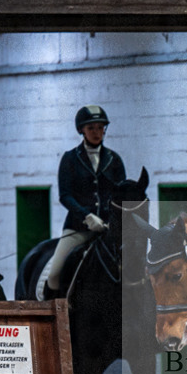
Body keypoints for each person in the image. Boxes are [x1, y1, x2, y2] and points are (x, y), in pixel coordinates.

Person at [43, 105, 127, 299]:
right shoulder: (70, 159)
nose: (97, 133)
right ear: (81, 130)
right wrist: (87, 216)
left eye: (100, 128)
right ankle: (53, 312)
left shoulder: (114, 160)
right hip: (78, 227)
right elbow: (65, 195)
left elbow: (121, 195)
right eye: (92, 128)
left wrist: (111, 220)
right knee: (55, 275)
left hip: (109, 229)